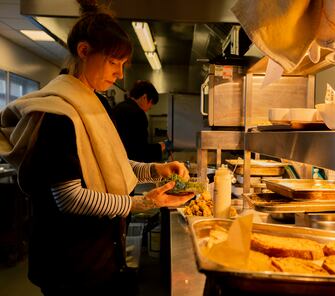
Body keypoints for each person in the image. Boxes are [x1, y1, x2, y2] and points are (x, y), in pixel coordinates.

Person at [0, 1, 193, 295]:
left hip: (101, 253)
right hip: (70, 262)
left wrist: (156, 170)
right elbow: (70, 198)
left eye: (122, 66)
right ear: (84, 51)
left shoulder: (95, 102)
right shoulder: (59, 113)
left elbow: (113, 161)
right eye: (114, 62)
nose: (119, 74)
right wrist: (145, 203)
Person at [113, 80, 171, 162]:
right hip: (130, 164)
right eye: (150, 105)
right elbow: (141, 151)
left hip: (115, 159)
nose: (148, 109)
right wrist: (162, 145)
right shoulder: (138, 114)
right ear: (144, 97)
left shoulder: (118, 107)